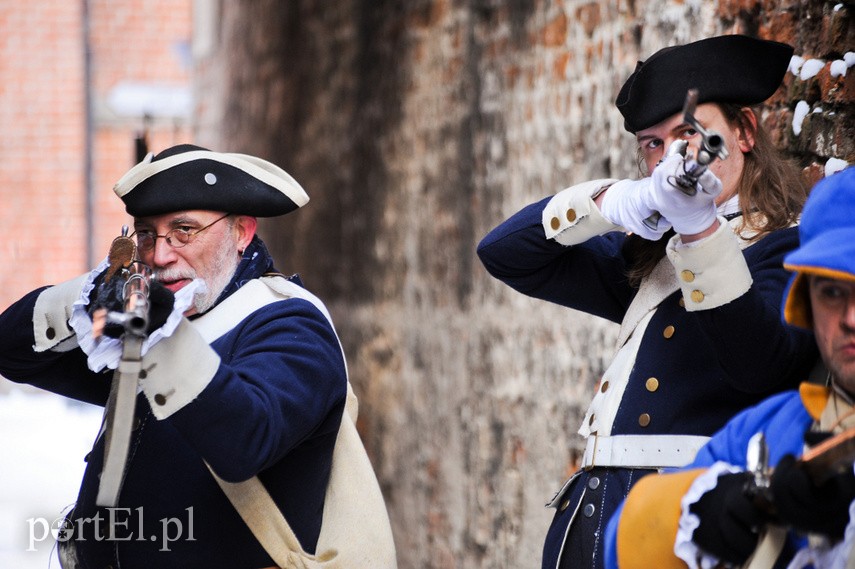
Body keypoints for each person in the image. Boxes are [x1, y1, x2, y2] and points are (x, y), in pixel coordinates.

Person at [476, 34, 818, 568]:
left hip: (687, 521)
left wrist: (701, 231)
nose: (669, 159)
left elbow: (760, 362)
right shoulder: (652, 259)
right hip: (593, 512)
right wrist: (616, 202)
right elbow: (504, 253)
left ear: (745, 131)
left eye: (686, 133)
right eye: (651, 146)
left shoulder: (792, 247)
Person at [0, 144, 395, 568]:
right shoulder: (154, 318)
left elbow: (246, 440)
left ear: (241, 232)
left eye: (184, 230)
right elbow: (13, 351)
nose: (159, 255)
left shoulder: (291, 323)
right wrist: (86, 296)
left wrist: (162, 334)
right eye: (147, 234)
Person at [603, 166, 855, 569]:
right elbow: (621, 543)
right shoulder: (773, 428)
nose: (851, 318)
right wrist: (708, 508)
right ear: (807, 301)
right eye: (832, 292)